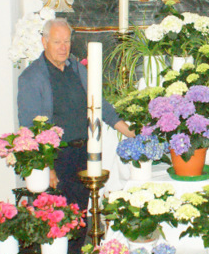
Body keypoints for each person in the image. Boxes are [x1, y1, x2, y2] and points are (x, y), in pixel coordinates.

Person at [17, 18, 134, 215]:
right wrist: (47, 168)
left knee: (79, 214)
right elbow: (29, 128)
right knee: (56, 219)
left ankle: (79, 247)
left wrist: (130, 132)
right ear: (44, 42)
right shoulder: (31, 77)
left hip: (82, 156)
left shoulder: (78, 69)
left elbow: (100, 105)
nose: (63, 47)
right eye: (57, 42)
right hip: (56, 159)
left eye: (67, 41)